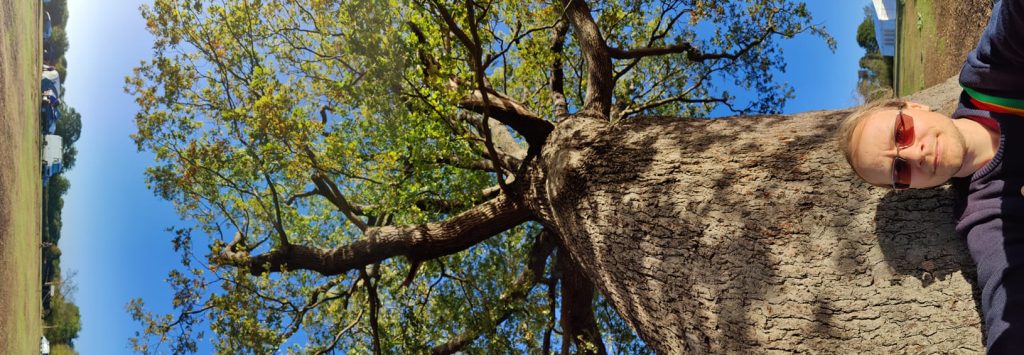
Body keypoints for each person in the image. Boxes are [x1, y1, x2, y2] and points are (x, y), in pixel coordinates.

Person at [839, 0, 1024, 351]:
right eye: (899, 170)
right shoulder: (984, 217)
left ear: (915, 107)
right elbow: (1008, 300)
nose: (914, 154)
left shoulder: (991, 75)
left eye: (901, 132)